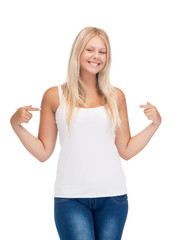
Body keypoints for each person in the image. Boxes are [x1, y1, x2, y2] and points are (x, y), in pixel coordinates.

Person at [10, 26, 162, 240]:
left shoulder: (116, 96)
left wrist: (155, 124)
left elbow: (126, 150)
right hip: (70, 199)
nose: (96, 56)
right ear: (78, 52)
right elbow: (43, 152)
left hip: (113, 197)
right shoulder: (55, 96)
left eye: (102, 51)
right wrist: (16, 124)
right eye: (90, 49)